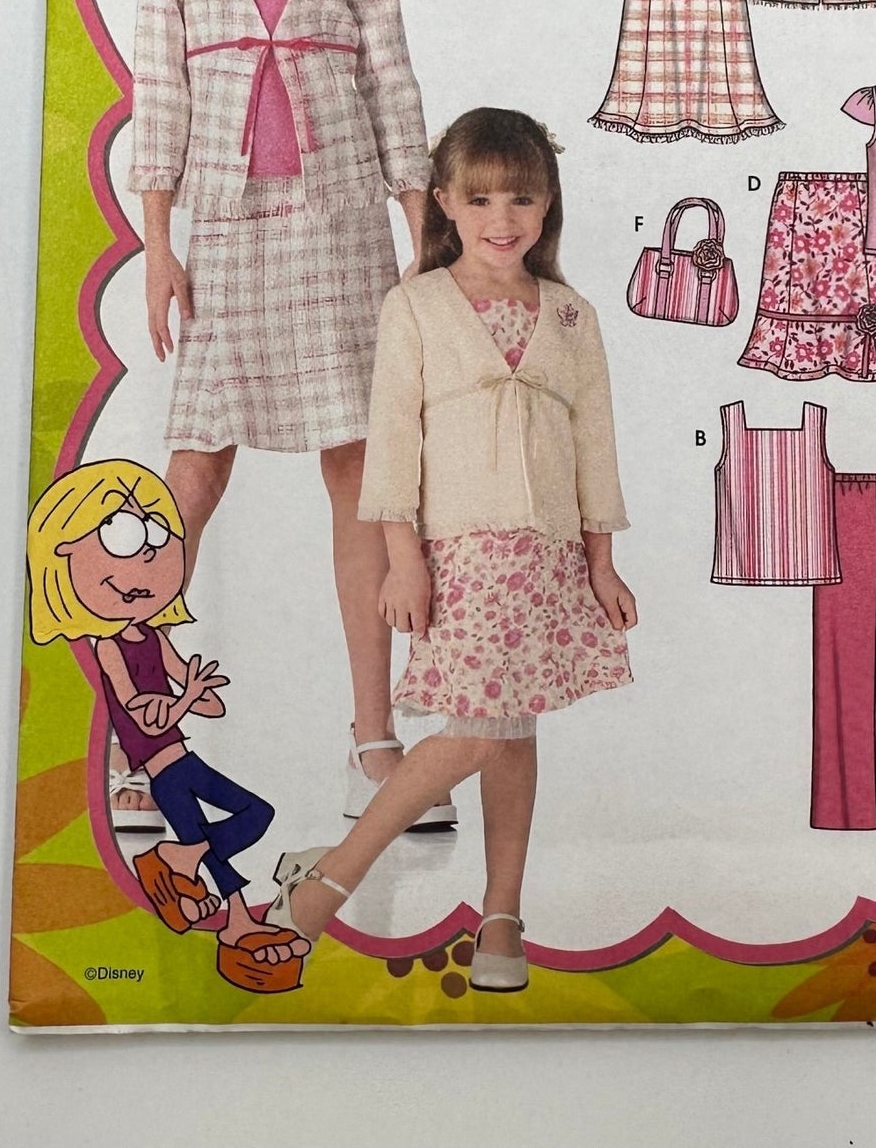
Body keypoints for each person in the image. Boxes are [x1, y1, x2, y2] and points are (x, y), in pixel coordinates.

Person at [128, 0, 449, 829]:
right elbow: (159, 96)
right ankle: (144, 736)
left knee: (363, 477)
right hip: (223, 231)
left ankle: (374, 738)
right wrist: (158, 244)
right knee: (194, 470)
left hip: (341, 228)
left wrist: (424, 240)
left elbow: (394, 87)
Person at [258, 109, 639, 993]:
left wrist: (601, 563)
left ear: (548, 206)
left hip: (548, 555)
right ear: (444, 204)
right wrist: (404, 559)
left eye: (522, 200)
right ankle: (332, 880)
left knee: (512, 727)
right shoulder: (418, 306)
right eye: (480, 200)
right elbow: (392, 444)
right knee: (478, 728)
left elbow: (596, 447)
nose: (502, 219)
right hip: (460, 553)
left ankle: (501, 915)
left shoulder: (571, 316)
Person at [26, 461, 310, 992]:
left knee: (255, 814)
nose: (147, 556)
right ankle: (230, 917)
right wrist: (187, 700)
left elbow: (198, 699)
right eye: (122, 535)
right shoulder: (108, 646)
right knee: (236, 827)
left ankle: (189, 871)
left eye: (157, 536)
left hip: (183, 760)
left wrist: (202, 696)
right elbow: (143, 713)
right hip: (162, 771)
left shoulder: (157, 637)